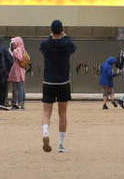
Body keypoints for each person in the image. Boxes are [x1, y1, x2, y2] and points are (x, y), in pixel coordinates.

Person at [38, 18, 77, 153]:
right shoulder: (67, 44)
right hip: (63, 82)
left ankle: (45, 132)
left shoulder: (45, 44)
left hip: (48, 81)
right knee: (62, 113)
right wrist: (64, 36)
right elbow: (72, 46)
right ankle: (61, 143)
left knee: (46, 112)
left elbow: (44, 44)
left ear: (51, 31)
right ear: (62, 30)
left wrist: (51, 37)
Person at [8, 34, 30, 110]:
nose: (13, 44)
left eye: (14, 43)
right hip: (22, 69)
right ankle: (21, 103)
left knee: (18, 87)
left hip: (17, 69)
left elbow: (20, 58)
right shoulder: (23, 49)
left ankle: (18, 103)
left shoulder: (17, 50)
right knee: (21, 87)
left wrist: (14, 52)